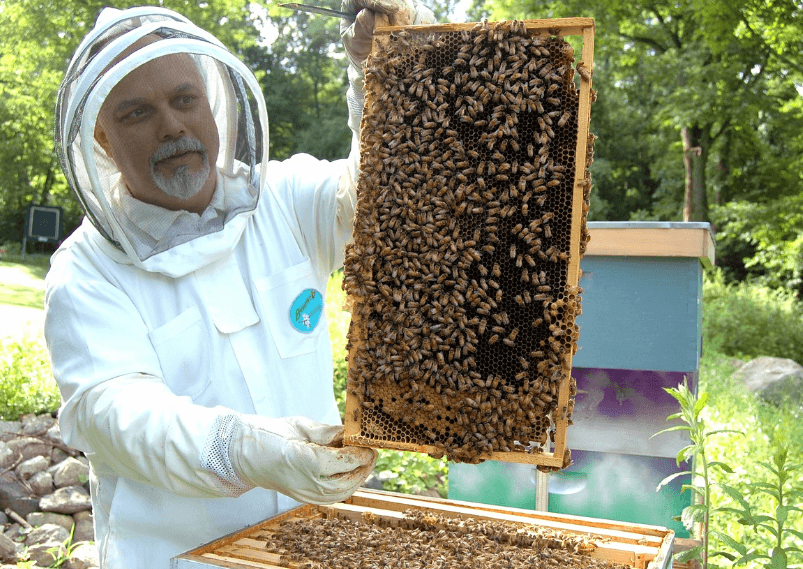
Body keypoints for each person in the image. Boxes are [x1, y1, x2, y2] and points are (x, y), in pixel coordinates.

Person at [45, 2, 433, 567]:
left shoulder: (286, 198)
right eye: (137, 113)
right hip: (177, 558)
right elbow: (115, 413)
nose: (172, 125)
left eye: (184, 99)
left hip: (319, 546)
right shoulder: (86, 273)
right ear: (101, 138)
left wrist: (390, 68)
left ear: (213, 102)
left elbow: (385, 195)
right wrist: (240, 450)